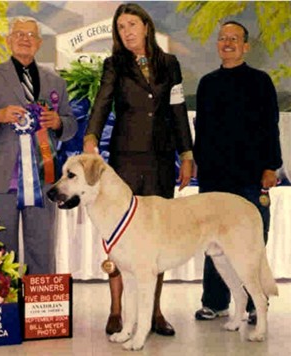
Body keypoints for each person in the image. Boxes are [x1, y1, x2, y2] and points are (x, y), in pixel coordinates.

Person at [83, 3, 193, 336]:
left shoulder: (169, 64)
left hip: (161, 160)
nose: (127, 32)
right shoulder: (114, 64)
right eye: (121, 28)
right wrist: (91, 136)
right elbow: (102, 101)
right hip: (124, 161)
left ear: (146, 26)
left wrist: (186, 153)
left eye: (132, 24)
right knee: (120, 237)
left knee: (155, 239)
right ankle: (116, 310)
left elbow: (177, 108)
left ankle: (154, 312)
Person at [0, 16, 77, 274]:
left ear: (39, 43)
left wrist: (58, 122)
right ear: (8, 41)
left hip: (43, 179)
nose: (25, 39)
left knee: (42, 249)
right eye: (19, 34)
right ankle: (4, 311)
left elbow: (71, 126)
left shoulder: (55, 81)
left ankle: (39, 311)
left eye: (31, 35)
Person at [193, 21, 282, 324]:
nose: (227, 43)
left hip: (251, 177)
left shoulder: (260, 81)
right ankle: (214, 302)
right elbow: (201, 132)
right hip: (215, 178)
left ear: (246, 46)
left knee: (250, 242)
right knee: (213, 243)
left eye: (234, 39)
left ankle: (257, 303)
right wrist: (198, 167)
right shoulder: (207, 83)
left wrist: (271, 165)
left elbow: (270, 126)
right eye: (222, 38)